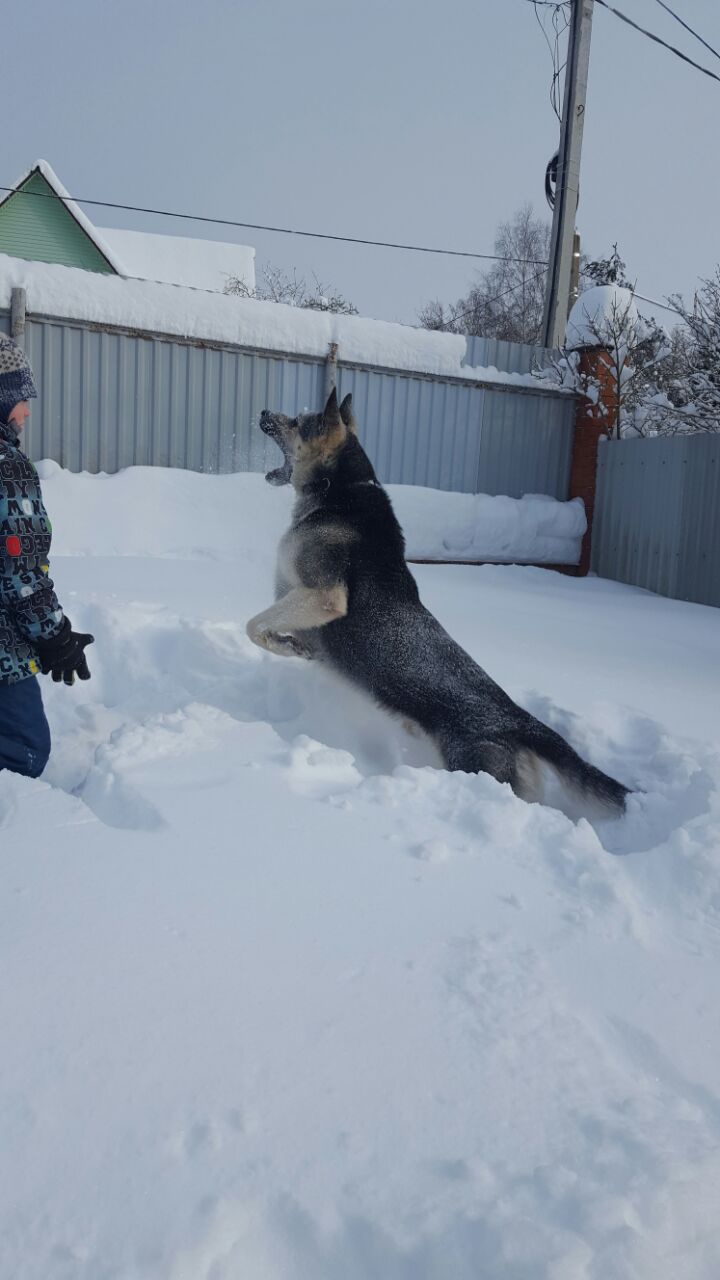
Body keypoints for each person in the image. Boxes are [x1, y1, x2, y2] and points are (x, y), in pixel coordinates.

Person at [0, 335, 94, 778]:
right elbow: (22, 577)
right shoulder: (8, 468)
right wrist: (57, 639)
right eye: (19, 397)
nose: (27, 411)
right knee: (24, 752)